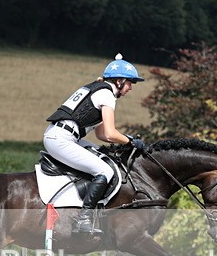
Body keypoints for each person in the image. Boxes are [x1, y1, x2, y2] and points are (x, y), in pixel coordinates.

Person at [44, 54, 145, 234]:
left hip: (63, 135)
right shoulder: (107, 95)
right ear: (120, 81)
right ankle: (83, 219)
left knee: (105, 158)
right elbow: (110, 133)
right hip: (61, 139)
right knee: (104, 171)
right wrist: (131, 141)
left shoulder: (98, 89)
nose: (130, 88)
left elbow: (101, 135)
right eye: (130, 83)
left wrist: (123, 140)